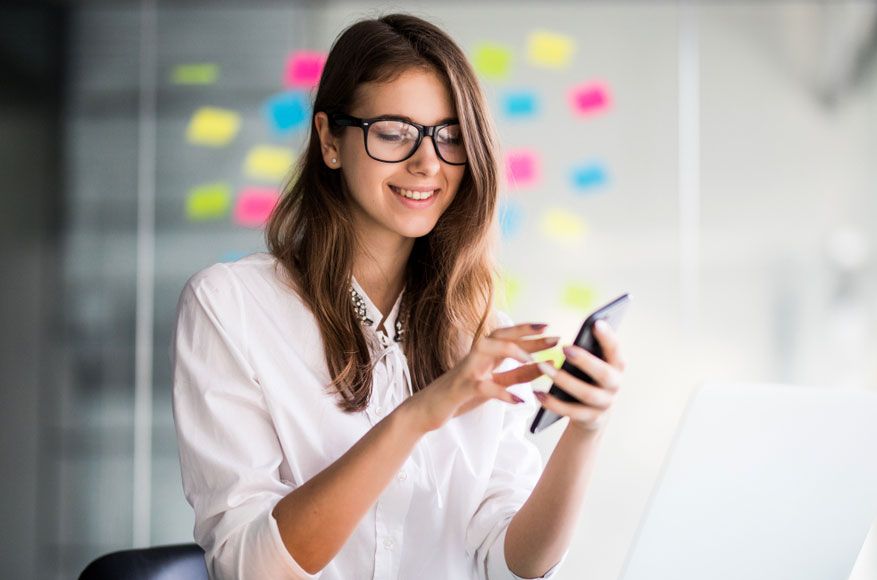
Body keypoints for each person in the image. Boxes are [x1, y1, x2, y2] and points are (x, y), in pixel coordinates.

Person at [171, 13, 626, 580]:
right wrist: (417, 415)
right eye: (393, 132)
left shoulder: (479, 331)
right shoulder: (230, 306)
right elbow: (252, 568)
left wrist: (587, 430)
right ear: (330, 141)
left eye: (450, 136)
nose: (428, 162)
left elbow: (511, 563)